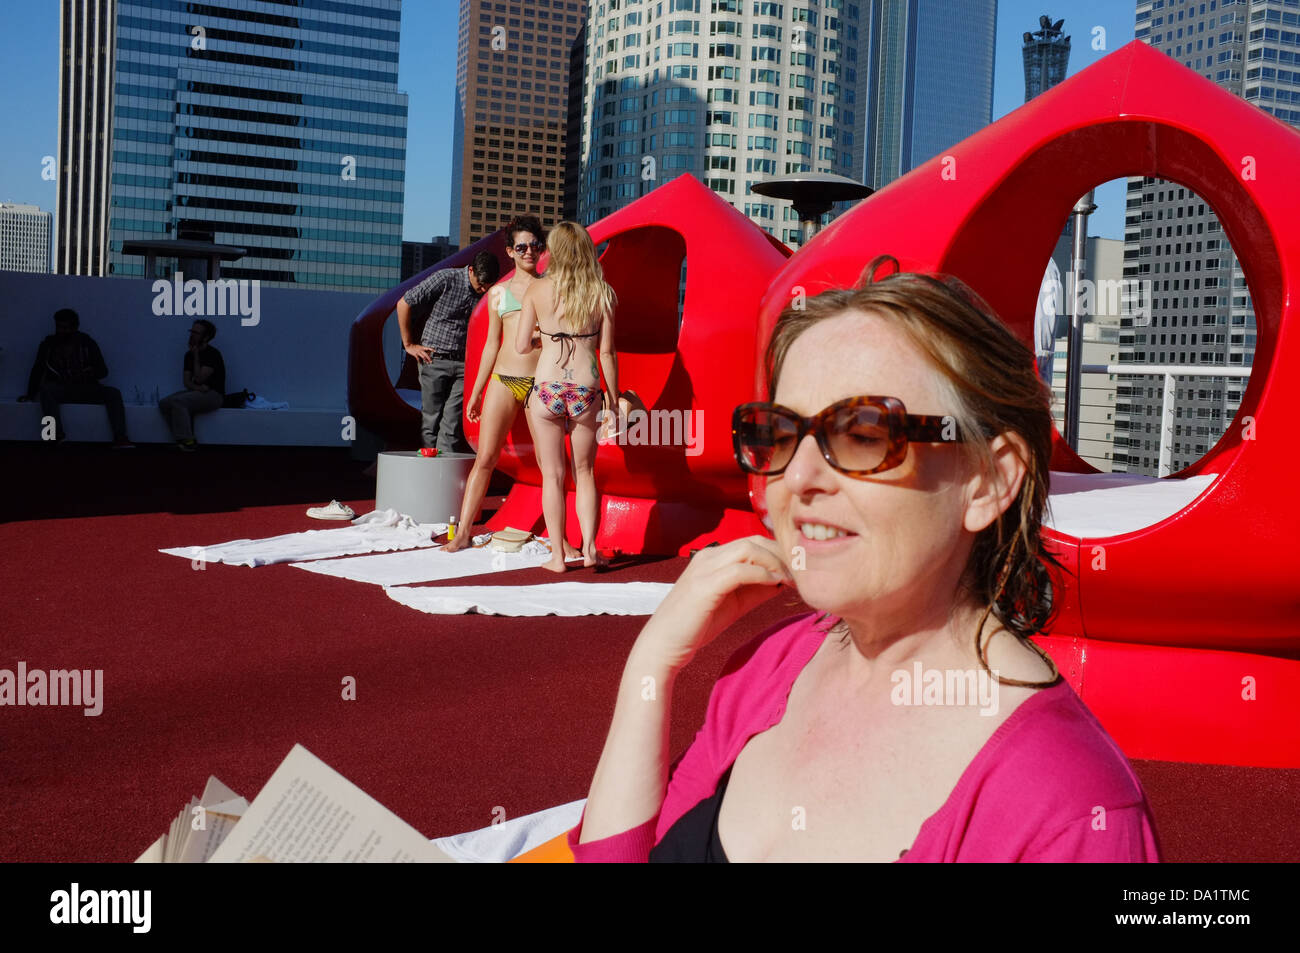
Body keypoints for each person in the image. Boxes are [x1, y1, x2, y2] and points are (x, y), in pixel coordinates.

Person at [569, 256, 1161, 862]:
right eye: (778, 432)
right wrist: (650, 669)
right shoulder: (769, 667)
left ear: (989, 481)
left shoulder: (1072, 814)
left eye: (864, 433)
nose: (797, 477)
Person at [514, 222, 618, 572]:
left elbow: (521, 344)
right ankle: (590, 549)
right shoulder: (602, 293)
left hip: (547, 389)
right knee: (585, 472)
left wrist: (548, 338)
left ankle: (558, 557)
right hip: (586, 391)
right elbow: (607, 354)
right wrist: (615, 401)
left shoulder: (537, 290)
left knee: (553, 477)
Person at [397, 251, 500, 453]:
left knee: (452, 424)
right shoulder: (445, 278)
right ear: (471, 270)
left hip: (464, 364)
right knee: (431, 420)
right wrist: (408, 344)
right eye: (480, 284)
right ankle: (428, 467)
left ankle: (444, 474)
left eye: (487, 287)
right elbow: (404, 303)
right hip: (434, 358)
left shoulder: (490, 293)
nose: (482, 290)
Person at [20, 308, 133, 448]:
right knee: (46, 389)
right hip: (62, 389)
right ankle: (54, 436)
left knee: (113, 393)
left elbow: (103, 371)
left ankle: (120, 437)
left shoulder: (87, 342)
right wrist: (30, 395)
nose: (61, 331)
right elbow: (38, 369)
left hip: (87, 388)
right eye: (58, 327)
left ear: (75, 327)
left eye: (65, 327)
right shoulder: (48, 345)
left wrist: (89, 372)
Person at [158, 319, 225, 452]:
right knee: (164, 403)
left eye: (196, 333)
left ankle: (188, 442)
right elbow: (187, 382)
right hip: (199, 391)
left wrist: (196, 356)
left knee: (179, 401)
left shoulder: (212, 354)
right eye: (191, 331)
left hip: (214, 395)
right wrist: (198, 388)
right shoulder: (187, 355)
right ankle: (181, 439)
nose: (192, 335)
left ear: (206, 337)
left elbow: (199, 378)